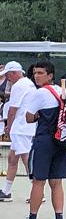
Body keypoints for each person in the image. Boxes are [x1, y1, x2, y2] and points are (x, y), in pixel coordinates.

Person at [19, 60, 66, 219]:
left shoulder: (39, 93)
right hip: (61, 142)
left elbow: (28, 118)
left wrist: (37, 117)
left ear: (50, 76)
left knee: (38, 182)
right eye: (35, 73)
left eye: (40, 73)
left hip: (44, 142)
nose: (36, 76)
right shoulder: (61, 91)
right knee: (56, 183)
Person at [0, 62, 36, 203]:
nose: (7, 78)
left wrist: (8, 127)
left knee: (26, 159)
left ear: (14, 73)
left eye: (8, 75)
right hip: (24, 128)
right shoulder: (27, 83)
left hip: (21, 128)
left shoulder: (19, 85)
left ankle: (37, 191)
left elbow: (12, 109)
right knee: (12, 159)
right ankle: (6, 191)